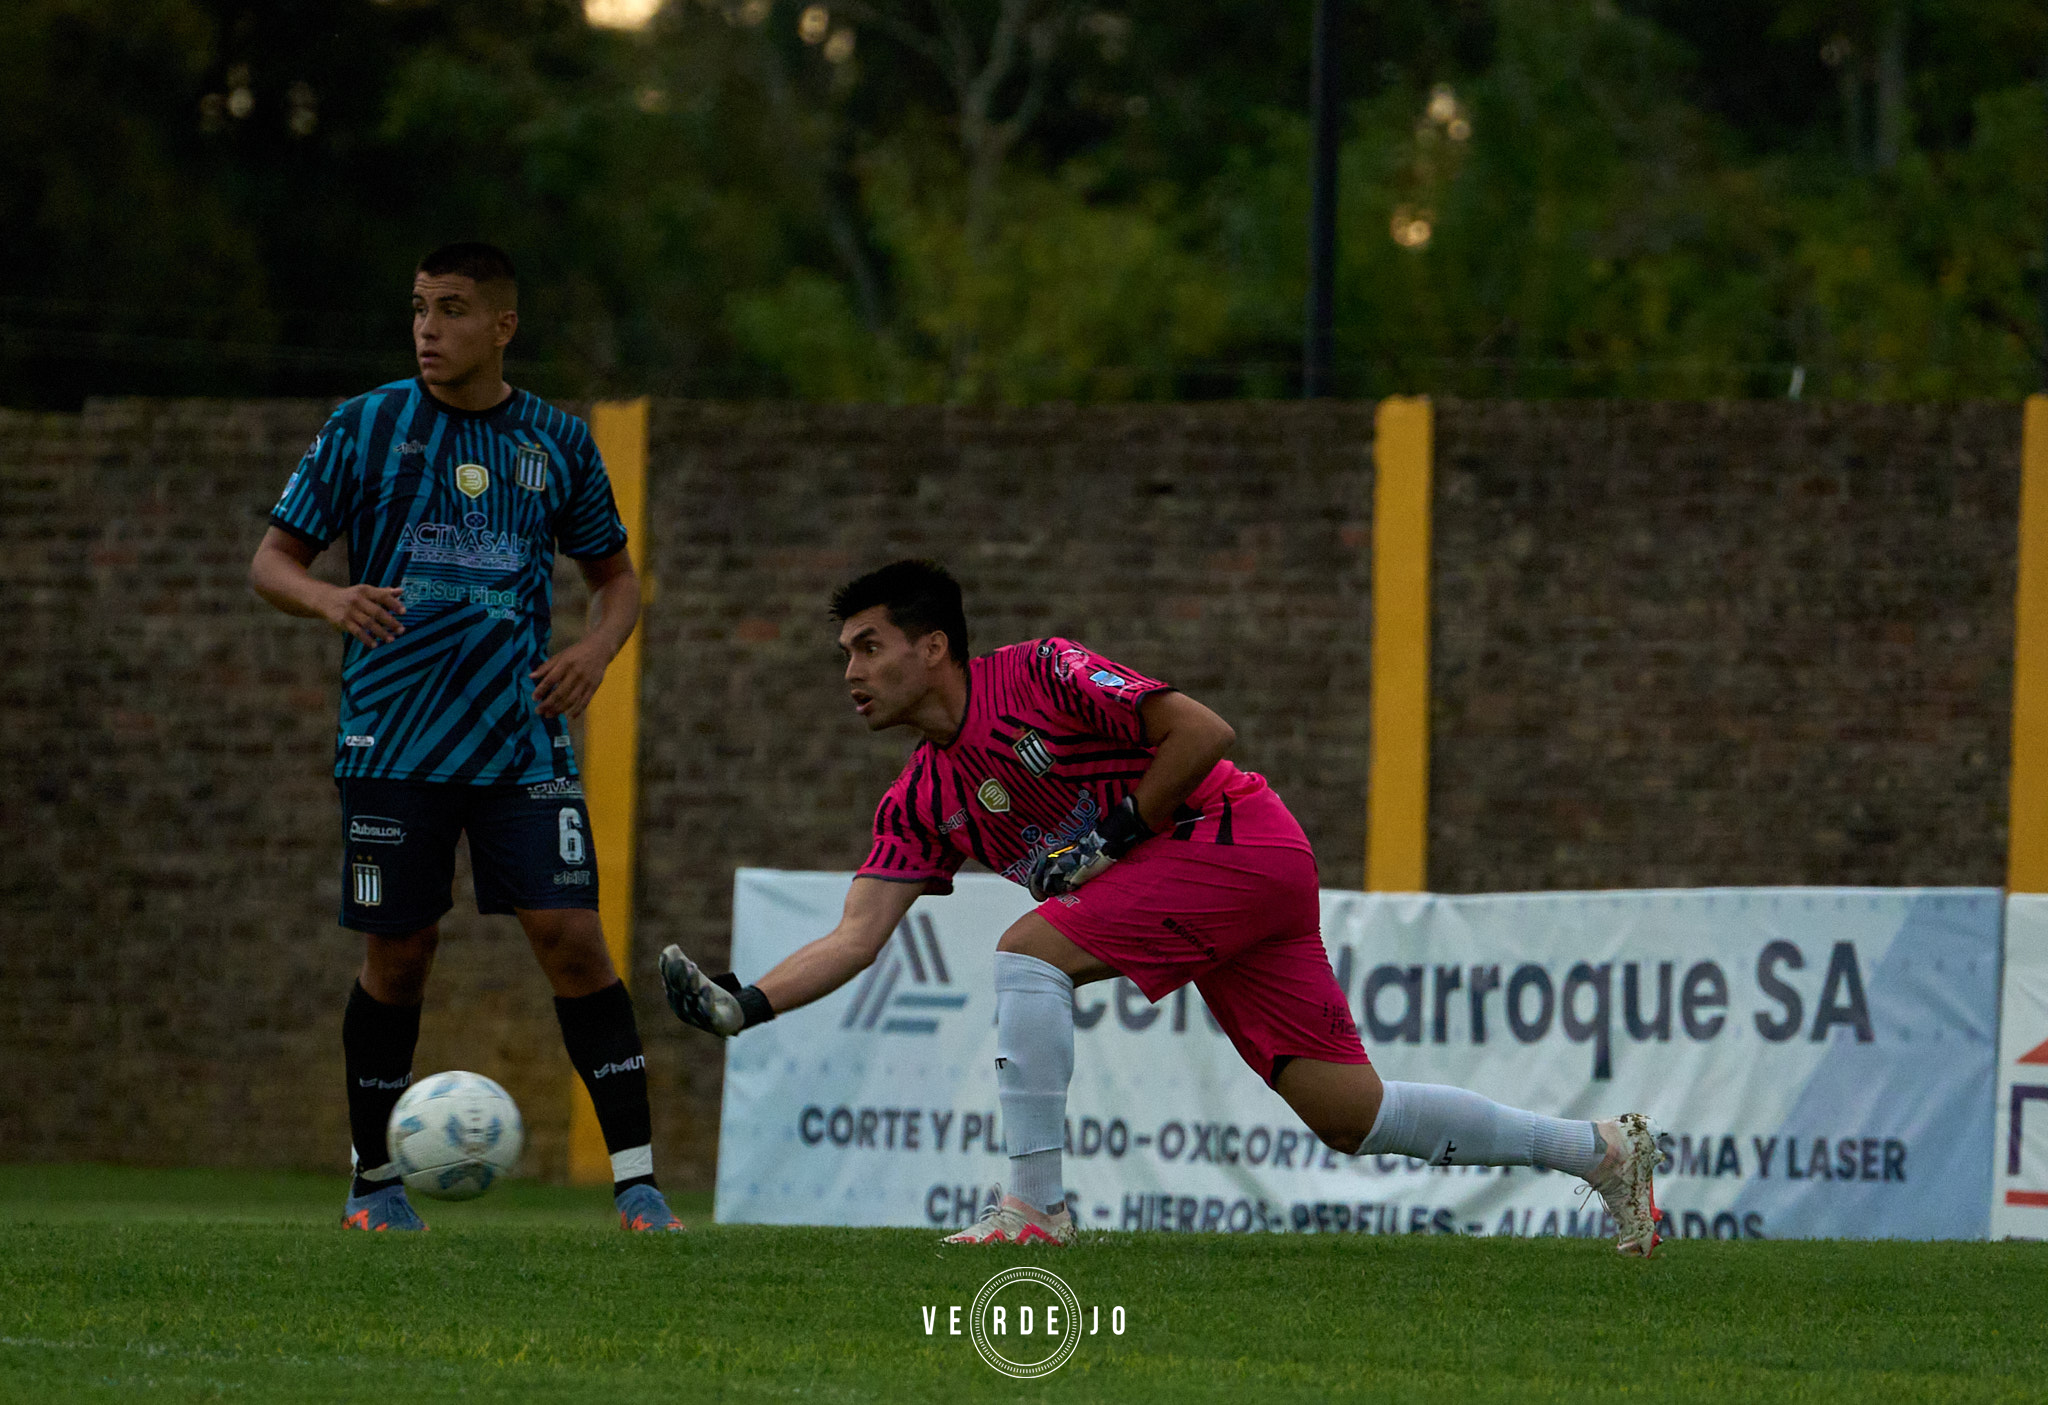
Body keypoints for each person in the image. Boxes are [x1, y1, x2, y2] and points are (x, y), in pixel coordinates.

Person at [659, 559, 1662, 1253]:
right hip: (1211, 889)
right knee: (1349, 1117)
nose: (849, 673)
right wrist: (741, 1005)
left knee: (1025, 952)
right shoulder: (917, 796)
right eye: (843, 653)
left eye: (865, 646)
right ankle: (1600, 1153)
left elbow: (1203, 732)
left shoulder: (1042, 672)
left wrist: (1118, 832)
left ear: (931, 647)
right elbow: (855, 935)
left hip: (1238, 839)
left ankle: (1034, 1211)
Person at [249, 242, 683, 1233]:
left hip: (519, 741)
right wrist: (328, 597)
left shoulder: (557, 443)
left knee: (571, 937)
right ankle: (373, 1186)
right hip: (392, 741)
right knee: (399, 955)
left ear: (501, 326)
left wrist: (596, 653)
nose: (427, 329)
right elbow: (271, 562)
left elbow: (615, 580)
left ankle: (640, 1186)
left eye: (449, 310)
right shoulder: (363, 427)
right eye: (416, 308)